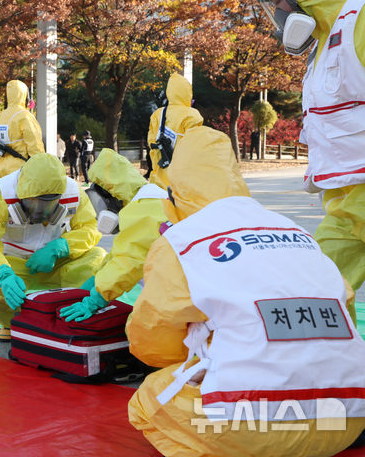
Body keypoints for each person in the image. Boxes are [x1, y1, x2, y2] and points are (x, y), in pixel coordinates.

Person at [127, 125, 365, 457]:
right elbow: (345, 309)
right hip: (347, 416)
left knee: (149, 398)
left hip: (249, 425)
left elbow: (152, 343)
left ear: (174, 192)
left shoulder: (182, 243)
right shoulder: (294, 229)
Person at [259, 0, 365, 294]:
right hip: (346, 195)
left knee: (320, 284)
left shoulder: (359, 18)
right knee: (317, 287)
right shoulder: (326, 39)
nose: (276, 14)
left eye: (276, 3)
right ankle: (322, 343)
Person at [0, 153, 106, 342]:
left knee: (98, 259)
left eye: (48, 203)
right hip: (15, 264)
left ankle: (71, 320)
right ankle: (14, 323)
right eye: (34, 203)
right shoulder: (0, 194)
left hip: (58, 261)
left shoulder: (73, 192)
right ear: (22, 191)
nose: (41, 211)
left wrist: (62, 247)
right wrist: (3, 274)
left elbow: (90, 227)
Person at [59, 148, 167, 322]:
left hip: (184, 295)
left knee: (139, 332)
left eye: (101, 205)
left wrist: (96, 298)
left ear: (116, 197)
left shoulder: (145, 209)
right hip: (185, 287)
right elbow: (120, 253)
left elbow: (128, 262)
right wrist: (96, 280)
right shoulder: (151, 200)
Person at [147, 73, 203, 189]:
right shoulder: (192, 115)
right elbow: (196, 147)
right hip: (183, 182)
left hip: (158, 180)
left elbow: (151, 144)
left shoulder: (158, 115)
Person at [0, 80, 45, 178]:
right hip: (22, 171)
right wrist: (41, 168)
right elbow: (35, 145)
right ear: (24, 95)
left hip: (3, 172)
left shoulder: (1, 116)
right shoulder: (24, 116)